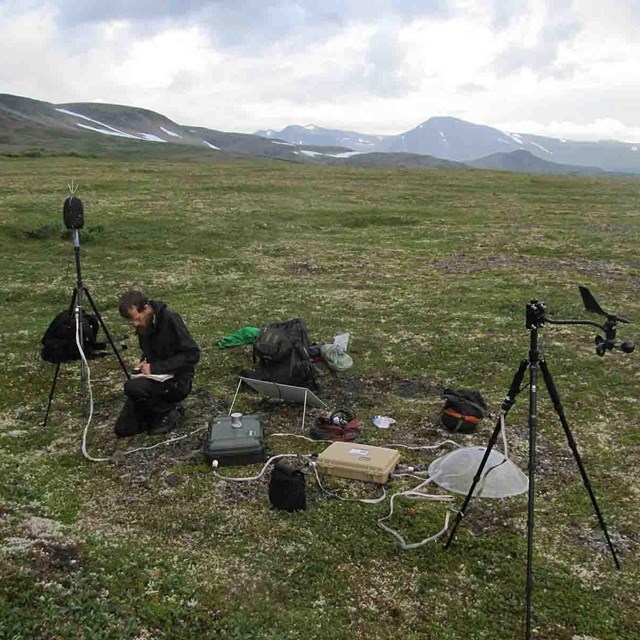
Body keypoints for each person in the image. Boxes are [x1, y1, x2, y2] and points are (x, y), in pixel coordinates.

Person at [114, 289, 200, 437]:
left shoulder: (170, 319)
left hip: (176, 381)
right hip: (156, 377)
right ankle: (154, 411)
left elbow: (192, 354)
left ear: (146, 308)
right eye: (131, 320)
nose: (135, 324)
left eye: (137, 318)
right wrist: (144, 363)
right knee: (123, 429)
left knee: (131, 387)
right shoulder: (144, 325)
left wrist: (154, 367)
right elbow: (152, 351)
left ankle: (171, 411)